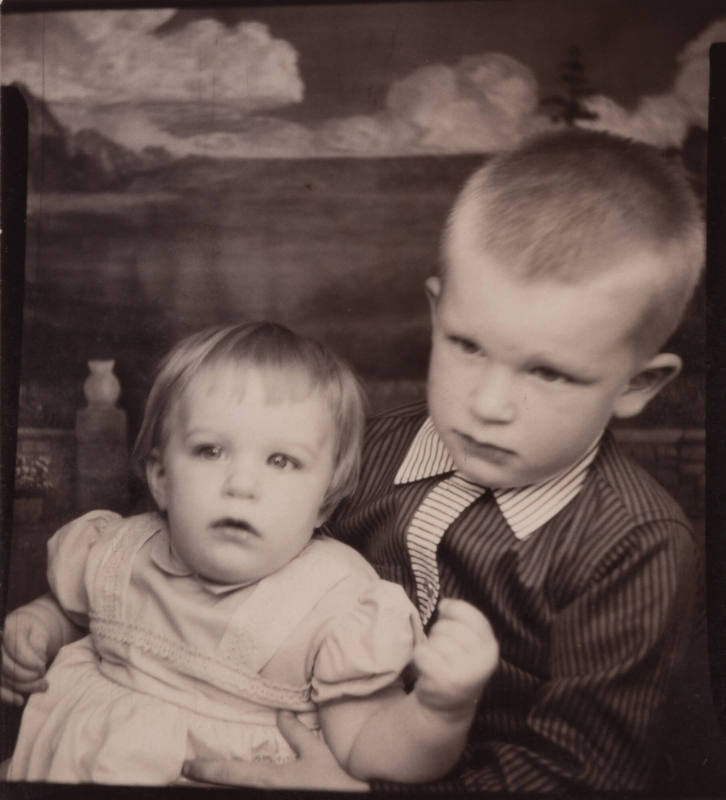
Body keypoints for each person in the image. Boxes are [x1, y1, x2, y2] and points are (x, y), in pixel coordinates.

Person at [182, 130, 706, 792]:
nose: (488, 404)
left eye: (548, 373)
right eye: (467, 345)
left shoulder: (634, 545)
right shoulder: (364, 448)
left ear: (638, 384)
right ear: (436, 314)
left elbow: (575, 776)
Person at [1, 321, 498, 785]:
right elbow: (74, 613)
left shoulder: (334, 603)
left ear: (325, 503)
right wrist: (39, 628)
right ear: (161, 478)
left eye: (281, 460)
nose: (241, 484)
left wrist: (440, 711)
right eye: (210, 451)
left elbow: (366, 745)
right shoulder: (118, 550)